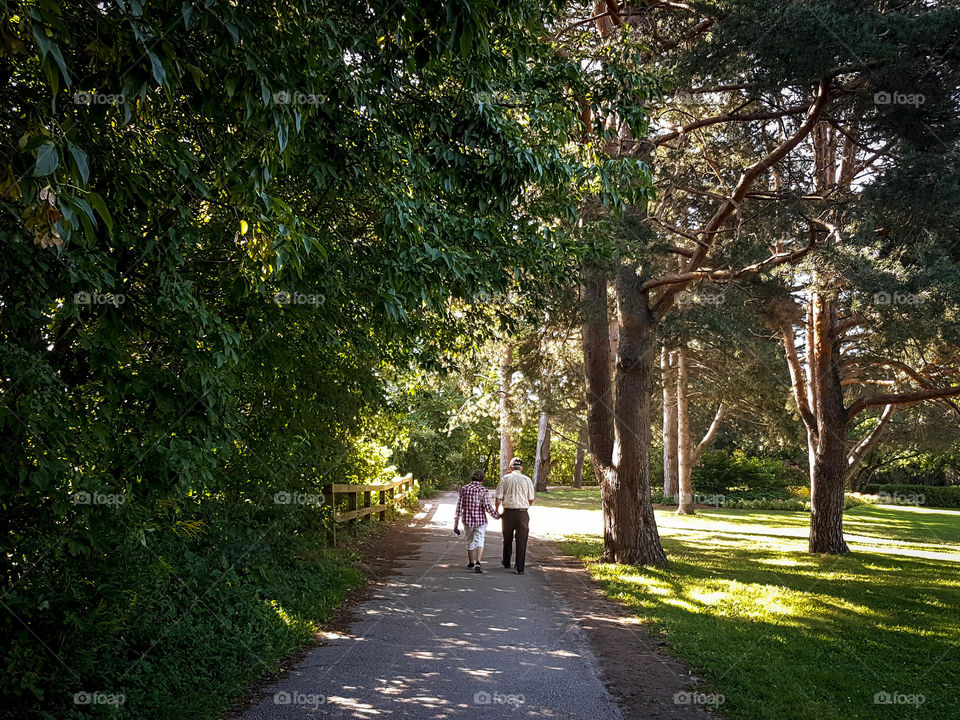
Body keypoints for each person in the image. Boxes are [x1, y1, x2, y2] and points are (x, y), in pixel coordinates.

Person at [453, 469, 500, 573]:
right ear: (483, 479)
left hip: (467, 520)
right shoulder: (483, 490)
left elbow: (459, 506)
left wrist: (456, 522)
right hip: (480, 520)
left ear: (471, 477)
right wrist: (497, 515)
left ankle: (471, 563)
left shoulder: (464, 489)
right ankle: (478, 561)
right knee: (480, 539)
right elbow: (487, 507)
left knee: (469, 540)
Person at [494, 457, 535, 575]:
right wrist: (524, 507)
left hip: (508, 512)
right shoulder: (527, 480)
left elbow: (498, 498)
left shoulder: (505, 479)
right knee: (522, 540)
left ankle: (506, 561)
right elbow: (531, 499)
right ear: (521, 468)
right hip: (522, 513)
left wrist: (497, 510)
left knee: (507, 538)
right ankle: (519, 568)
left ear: (510, 467)